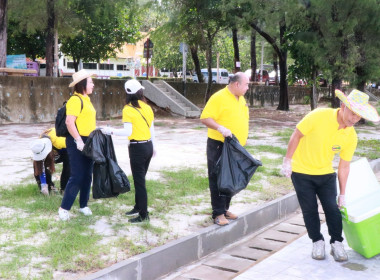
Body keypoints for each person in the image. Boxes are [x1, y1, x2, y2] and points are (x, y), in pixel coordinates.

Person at [281, 89, 379, 262]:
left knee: (333, 209)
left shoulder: (351, 136)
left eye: (358, 116)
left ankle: (337, 242)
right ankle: (317, 241)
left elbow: (344, 166)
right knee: (309, 209)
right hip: (301, 172)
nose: (354, 119)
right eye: (352, 113)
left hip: (325, 173)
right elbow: (297, 135)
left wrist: (342, 194)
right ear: (343, 106)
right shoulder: (319, 115)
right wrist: (287, 160)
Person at [102, 79, 156, 223]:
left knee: (139, 183)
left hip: (137, 148)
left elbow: (127, 131)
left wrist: (110, 131)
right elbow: (152, 129)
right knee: (141, 179)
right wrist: (154, 147)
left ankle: (144, 215)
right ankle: (138, 207)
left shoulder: (127, 109)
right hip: (148, 146)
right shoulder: (147, 107)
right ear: (140, 91)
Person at [200, 72, 250, 226]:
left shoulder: (240, 98)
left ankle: (225, 208)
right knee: (218, 178)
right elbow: (205, 118)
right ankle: (218, 213)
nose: (248, 88)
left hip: (235, 146)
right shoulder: (219, 97)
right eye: (246, 84)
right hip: (219, 144)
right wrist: (220, 128)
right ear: (237, 84)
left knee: (230, 177)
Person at [58, 69, 96, 221]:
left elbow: (87, 120)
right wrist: (79, 140)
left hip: (88, 140)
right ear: (83, 84)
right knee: (77, 175)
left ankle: (83, 205)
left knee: (87, 174)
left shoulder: (86, 99)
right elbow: (69, 122)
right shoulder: (75, 100)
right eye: (91, 82)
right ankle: (64, 208)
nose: (93, 84)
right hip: (76, 141)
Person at [36, 128, 70, 194]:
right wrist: (43, 184)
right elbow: (40, 165)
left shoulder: (61, 143)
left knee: (69, 165)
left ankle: (64, 189)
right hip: (53, 149)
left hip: (65, 150)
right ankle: (48, 188)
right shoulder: (38, 145)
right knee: (37, 166)